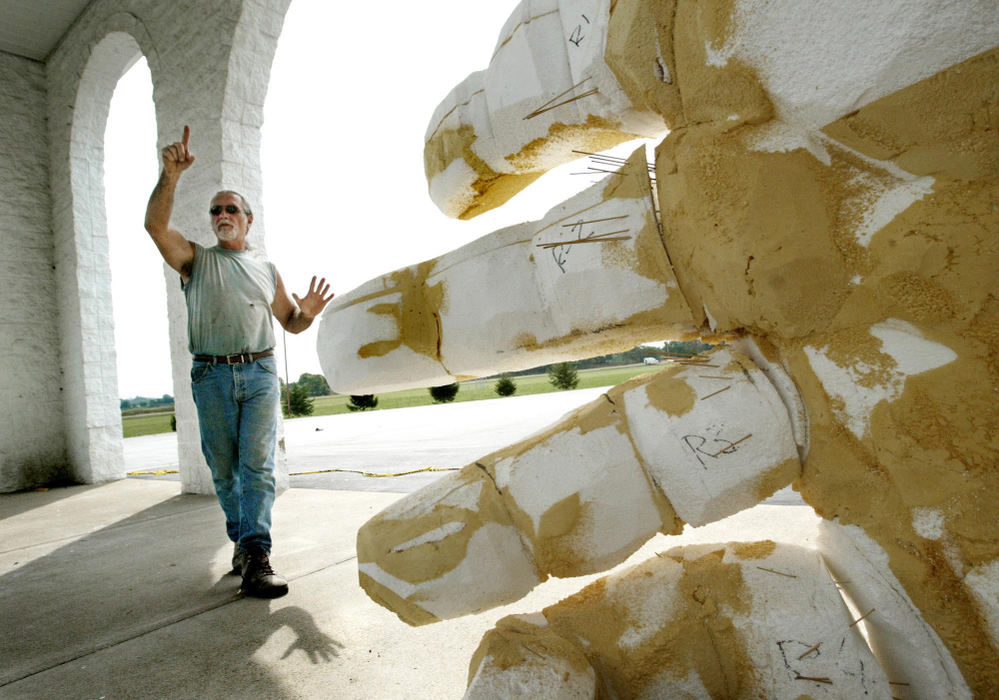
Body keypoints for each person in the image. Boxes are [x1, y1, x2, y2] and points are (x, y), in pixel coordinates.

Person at [144, 125, 334, 598]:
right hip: (211, 373)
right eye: (216, 210)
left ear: (248, 220)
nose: (223, 214)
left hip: (261, 372)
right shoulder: (195, 259)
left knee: (258, 467)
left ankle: (256, 552)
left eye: (232, 209)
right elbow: (155, 227)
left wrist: (306, 315)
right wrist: (170, 175)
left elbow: (289, 321)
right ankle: (245, 544)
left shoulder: (266, 268)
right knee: (224, 469)